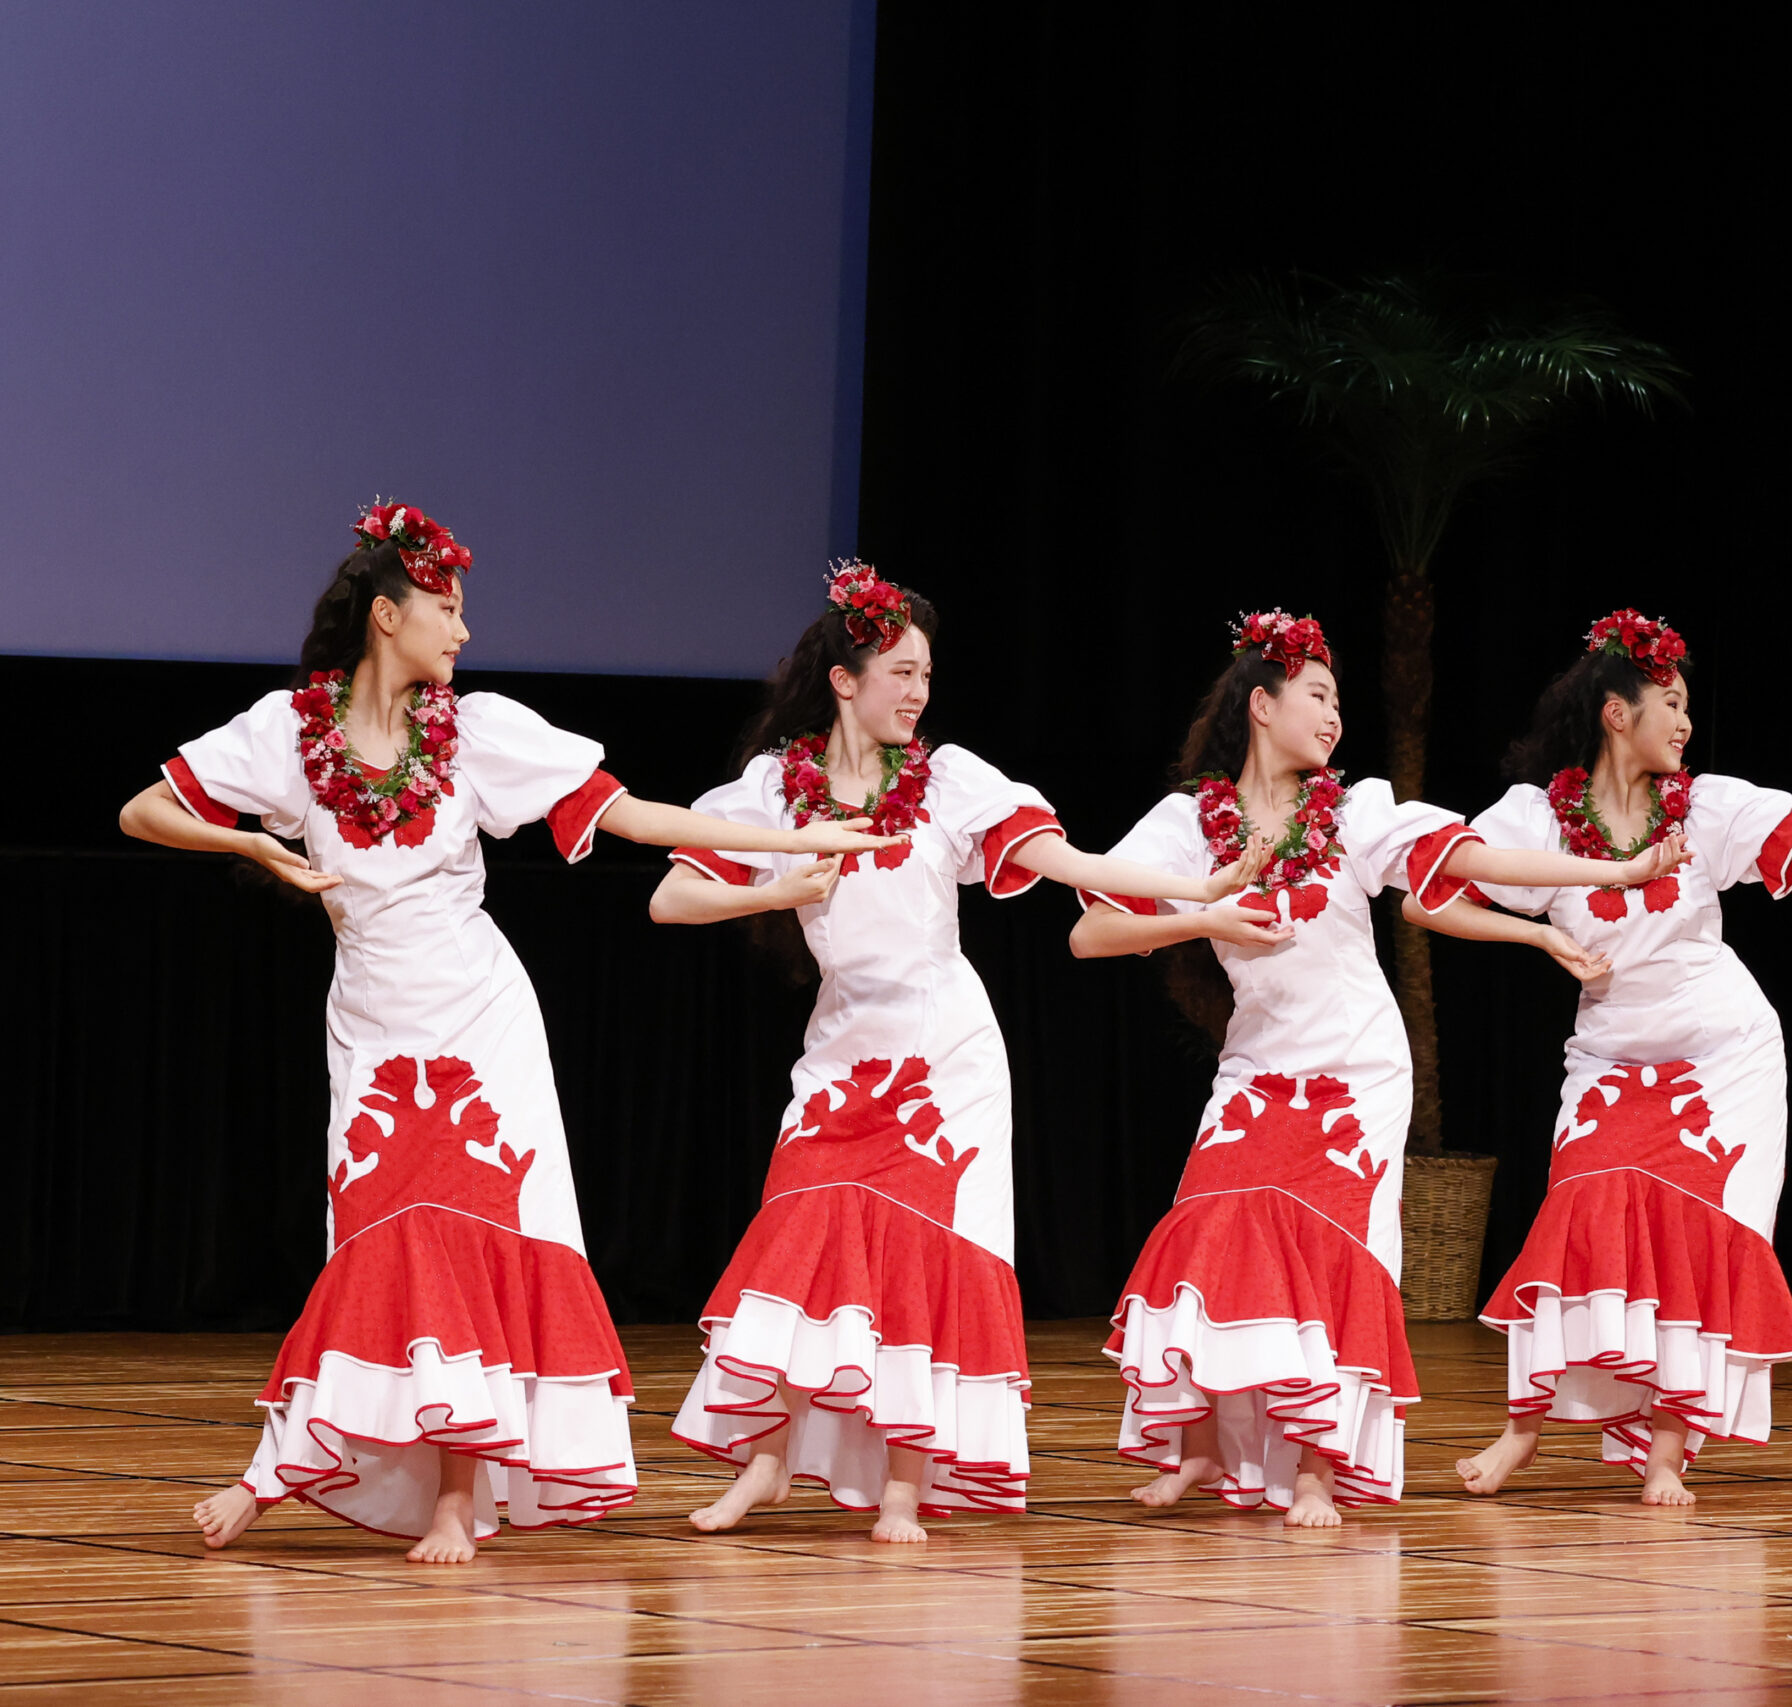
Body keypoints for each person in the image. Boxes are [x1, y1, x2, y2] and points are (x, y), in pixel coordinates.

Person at [118, 503, 893, 1563]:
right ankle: (281, 1468)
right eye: (447, 609)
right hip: (375, 1025)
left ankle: (454, 1497)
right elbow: (144, 812)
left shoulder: (476, 733)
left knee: (477, 1234)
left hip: (481, 1016)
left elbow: (631, 815)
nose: (464, 632)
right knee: (378, 1246)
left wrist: (780, 834)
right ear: (388, 616)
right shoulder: (288, 736)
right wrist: (256, 848)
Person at [652, 562, 1270, 1543]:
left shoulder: (950, 781)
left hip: (946, 1060)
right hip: (844, 1051)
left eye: (927, 675)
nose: (917, 691)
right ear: (844, 681)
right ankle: (767, 1463)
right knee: (800, 1232)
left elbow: (1067, 864)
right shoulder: (775, 792)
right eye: (899, 671)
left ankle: (904, 1483)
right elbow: (670, 898)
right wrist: (776, 891)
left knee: (919, 1259)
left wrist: (1195, 896)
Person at [1402, 610, 1792, 1502]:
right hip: (1610, 1052)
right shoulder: (1538, 817)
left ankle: (1668, 1448)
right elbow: (1429, 898)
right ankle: (1524, 1432)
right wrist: (1540, 943)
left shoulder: (1705, 807)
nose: (1686, 722)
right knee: (1579, 1217)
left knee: (1697, 1240)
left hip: (1721, 1052)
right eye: (1670, 702)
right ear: (1615, 713)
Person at [1067, 610, 1693, 1526]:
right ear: (1260, 704)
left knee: (1331, 1248)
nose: (1333, 717)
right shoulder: (1186, 824)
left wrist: (1614, 869)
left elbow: (1470, 855)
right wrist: (1203, 916)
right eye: (1316, 695)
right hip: (1258, 1064)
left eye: (1337, 701)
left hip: (1357, 1067)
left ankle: (1319, 1467)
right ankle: (1198, 1447)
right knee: (1209, 1218)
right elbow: (1092, 931)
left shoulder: (1356, 811)